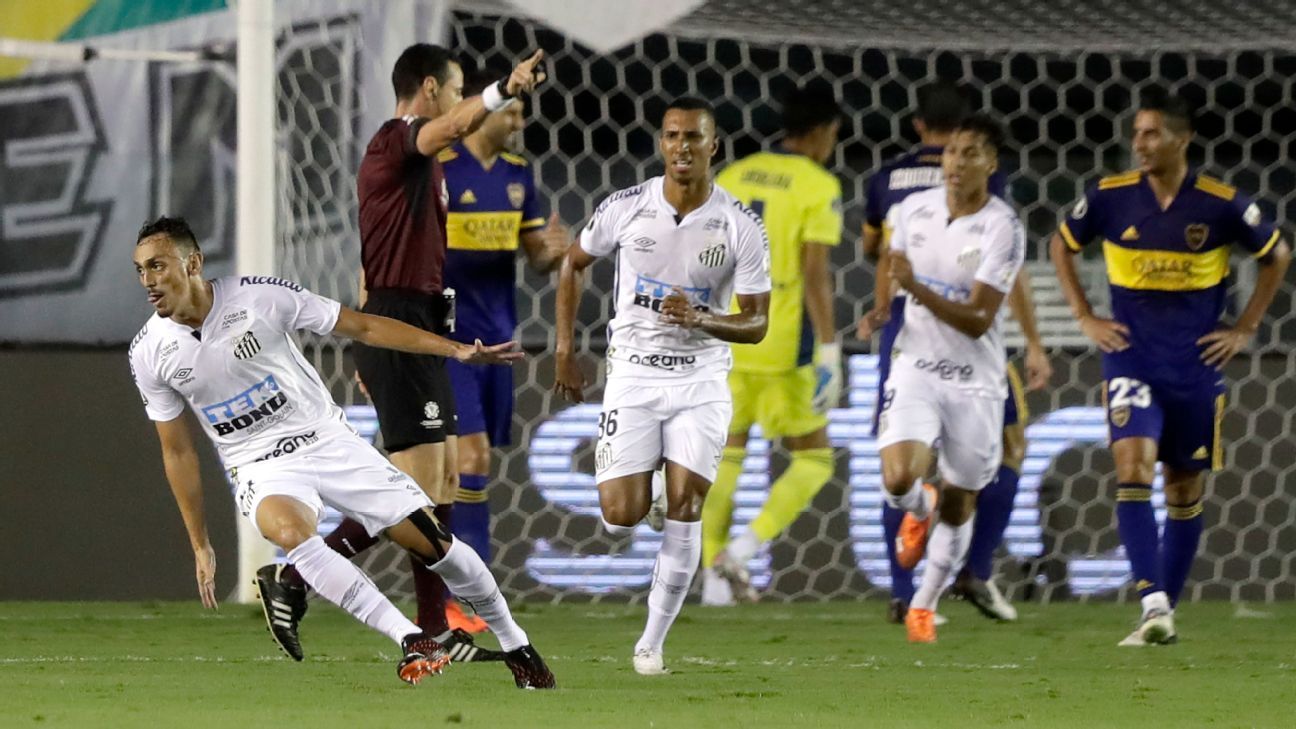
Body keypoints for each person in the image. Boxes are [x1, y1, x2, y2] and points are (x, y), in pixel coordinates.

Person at [128, 216, 554, 688]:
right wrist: (199, 542)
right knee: (291, 532)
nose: (147, 281)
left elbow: (365, 327)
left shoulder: (261, 297)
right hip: (258, 464)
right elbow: (178, 452)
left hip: (327, 440)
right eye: (140, 270)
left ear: (193, 263)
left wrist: (453, 351)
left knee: (437, 547)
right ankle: (413, 639)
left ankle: (518, 645)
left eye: (157, 266)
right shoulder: (149, 352)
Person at [263, 44, 545, 661]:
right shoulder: (396, 140)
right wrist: (505, 88)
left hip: (409, 325)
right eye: (457, 88)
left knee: (441, 481)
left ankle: (433, 622)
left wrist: (374, 343)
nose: (461, 102)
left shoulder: (426, 169)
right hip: (397, 320)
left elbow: (372, 254)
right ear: (429, 89)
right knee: (413, 495)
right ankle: (292, 576)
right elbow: (454, 125)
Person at [1049, 87, 1290, 646]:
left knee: (1182, 487)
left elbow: (1277, 254)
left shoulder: (1221, 203)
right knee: (1132, 467)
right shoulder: (1109, 197)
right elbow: (1063, 246)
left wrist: (1246, 326)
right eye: (1136, 134)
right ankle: (1151, 598)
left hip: (1194, 363)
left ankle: (1162, 615)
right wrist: (1085, 315)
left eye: (1152, 133)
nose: (1140, 143)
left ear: (1183, 140)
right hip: (1129, 357)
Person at [552, 98, 771, 674]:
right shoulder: (627, 208)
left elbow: (756, 323)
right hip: (632, 375)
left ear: (713, 146)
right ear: (661, 143)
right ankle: (642, 488)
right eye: (673, 136)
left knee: (687, 505)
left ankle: (651, 643)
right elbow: (572, 264)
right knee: (619, 514)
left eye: (694, 138)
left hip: (701, 380)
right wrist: (564, 350)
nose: (683, 147)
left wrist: (703, 319)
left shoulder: (740, 225)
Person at [857, 81, 1050, 624]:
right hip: (915, 351)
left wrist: (892, 302)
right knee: (908, 470)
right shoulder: (920, 206)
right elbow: (895, 263)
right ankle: (970, 571)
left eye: (969, 153)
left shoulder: (887, 179)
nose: (955, 162)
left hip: (971, 359)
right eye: (955, 150)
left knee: (972, 475)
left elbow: (879, 255)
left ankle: (924, 589)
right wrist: (1033, 343)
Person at [699, 80, 843, 605]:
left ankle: (713, 580)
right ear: (825, 131)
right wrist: (828, 346)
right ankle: (741, 549)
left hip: (730, 333)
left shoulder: (734, 175)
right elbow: (815, 269)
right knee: (815, 459)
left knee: (726, 455)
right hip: (782, 341)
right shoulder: (816, 184)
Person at [439, 68, 569, 631]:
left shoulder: (519, 176)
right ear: (482, 110)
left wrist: (557, 252)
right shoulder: (440, 170)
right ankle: (469, 604)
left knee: (471, 472)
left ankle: (462, 591)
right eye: (512, 111)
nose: (519, 121)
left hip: (500, 339)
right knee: (471, 460)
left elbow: (537, 256)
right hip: (447, 337)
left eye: (522, 112)